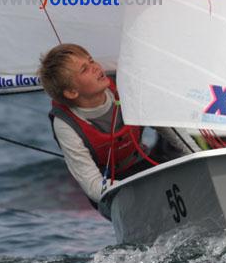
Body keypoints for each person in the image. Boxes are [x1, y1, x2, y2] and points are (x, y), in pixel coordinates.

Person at [39, 43, 200, 203]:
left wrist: (198, 157)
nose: (95, 67)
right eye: (84, 69)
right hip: (108, 187)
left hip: (143, 164)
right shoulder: (65, 124)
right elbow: (92, 184)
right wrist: (131, 195)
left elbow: (166, 127)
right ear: (72, 92)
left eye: (92, 61)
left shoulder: (124, 86)